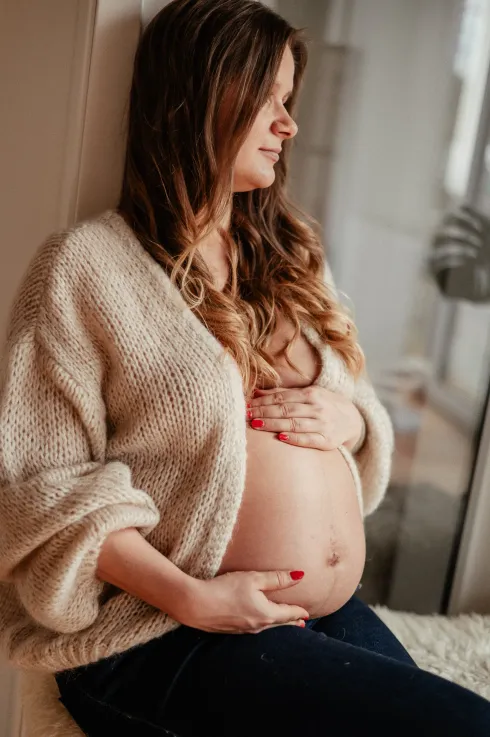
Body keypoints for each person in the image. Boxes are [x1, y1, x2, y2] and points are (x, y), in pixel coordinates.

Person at [0, 0, 489, 735]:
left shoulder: (290, 254)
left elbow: (359, 406)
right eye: (267, 101)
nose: (287, 125)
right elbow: (38, 485)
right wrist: (192, 597)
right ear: (196, 98)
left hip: (311, 614)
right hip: (161, 633)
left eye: (287, 102)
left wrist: (352, 418)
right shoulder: (86, 267)